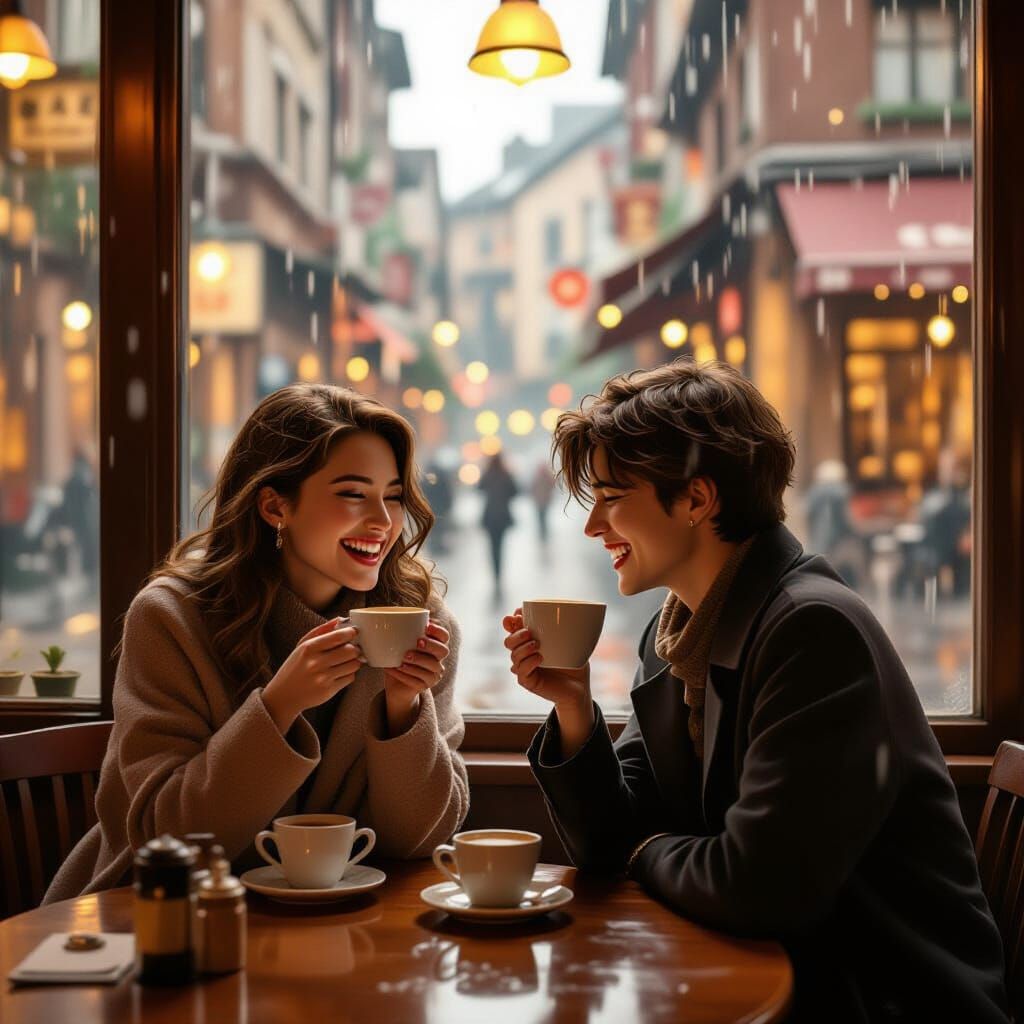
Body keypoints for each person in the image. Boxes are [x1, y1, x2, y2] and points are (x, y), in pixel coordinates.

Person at [502, 360, 1007, 1023]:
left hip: (881, 998)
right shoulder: (678, 629)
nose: (594, 526)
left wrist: (644, 850)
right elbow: (607, 842)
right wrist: (573, 709)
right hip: (781, 975)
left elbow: (759, 888)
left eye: (614, 496)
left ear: (697, 499)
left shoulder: (812, 629)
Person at [45, 383, 468, 902]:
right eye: (354, 494)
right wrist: (279, 705)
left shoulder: (415, 622)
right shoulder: (171, 618)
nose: (383, 521)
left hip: (343, 928)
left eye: (394, 496)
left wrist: (403, 709)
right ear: (274, 507)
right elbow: (170, 836)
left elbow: (420, 840)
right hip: (165, 919)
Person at [478, 453, 518, 594]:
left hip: (490, 516)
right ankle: (498, 572)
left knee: (492, 546)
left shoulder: (488, 475)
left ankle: (496, 572)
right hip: (502, 517)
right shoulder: (506, 475)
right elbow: (515, 492)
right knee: (500, 546)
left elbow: (478, 488)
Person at [530, 461, 557, 545]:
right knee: (540, 517)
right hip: (539, 501)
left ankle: (544, 531)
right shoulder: (537, 477)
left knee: (543, 516)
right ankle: (542, 531)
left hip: (544, 501)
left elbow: (552, 486)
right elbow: (532, 488)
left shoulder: (546, 477)